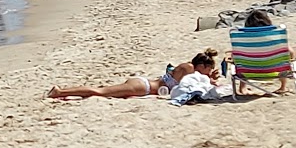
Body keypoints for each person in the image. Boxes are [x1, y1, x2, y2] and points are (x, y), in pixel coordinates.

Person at [49, 49, 220, 100]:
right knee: (100, 91)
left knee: (102, 91)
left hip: (143, 84)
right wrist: (210, 80)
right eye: (208, 69)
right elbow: (196, 84)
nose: (208, 73)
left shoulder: (186, 67)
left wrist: (209, 78)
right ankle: (60, 92)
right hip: (143, 87)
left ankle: (63, 92)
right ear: (201, 66)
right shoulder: (189, 69)